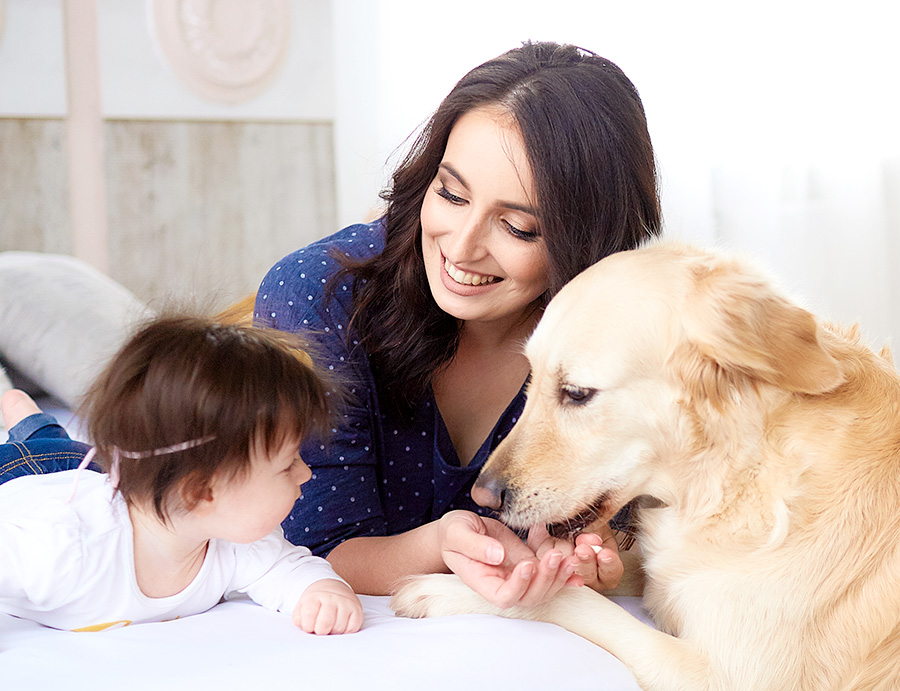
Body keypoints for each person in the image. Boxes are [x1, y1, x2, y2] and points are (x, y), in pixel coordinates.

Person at [254, 41, 662, 608]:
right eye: (450, 193)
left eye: (517, 227)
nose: (462, 247)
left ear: (584, 245)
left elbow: (626, 528)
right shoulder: (321, 297)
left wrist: (586, 551)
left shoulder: (624, 341)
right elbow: (309, 548)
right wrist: (442, 544)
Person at [0, 317, 363, 635]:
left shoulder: (240, 544)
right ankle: (24, 418)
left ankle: (28, 420)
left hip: (98, 475)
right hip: (18, 476)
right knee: (47, 450)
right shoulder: (60, 549)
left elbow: (289, 569)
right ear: (200, 492)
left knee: (66, 451)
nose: (306, 472)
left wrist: (322, 592)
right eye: (287, 465)